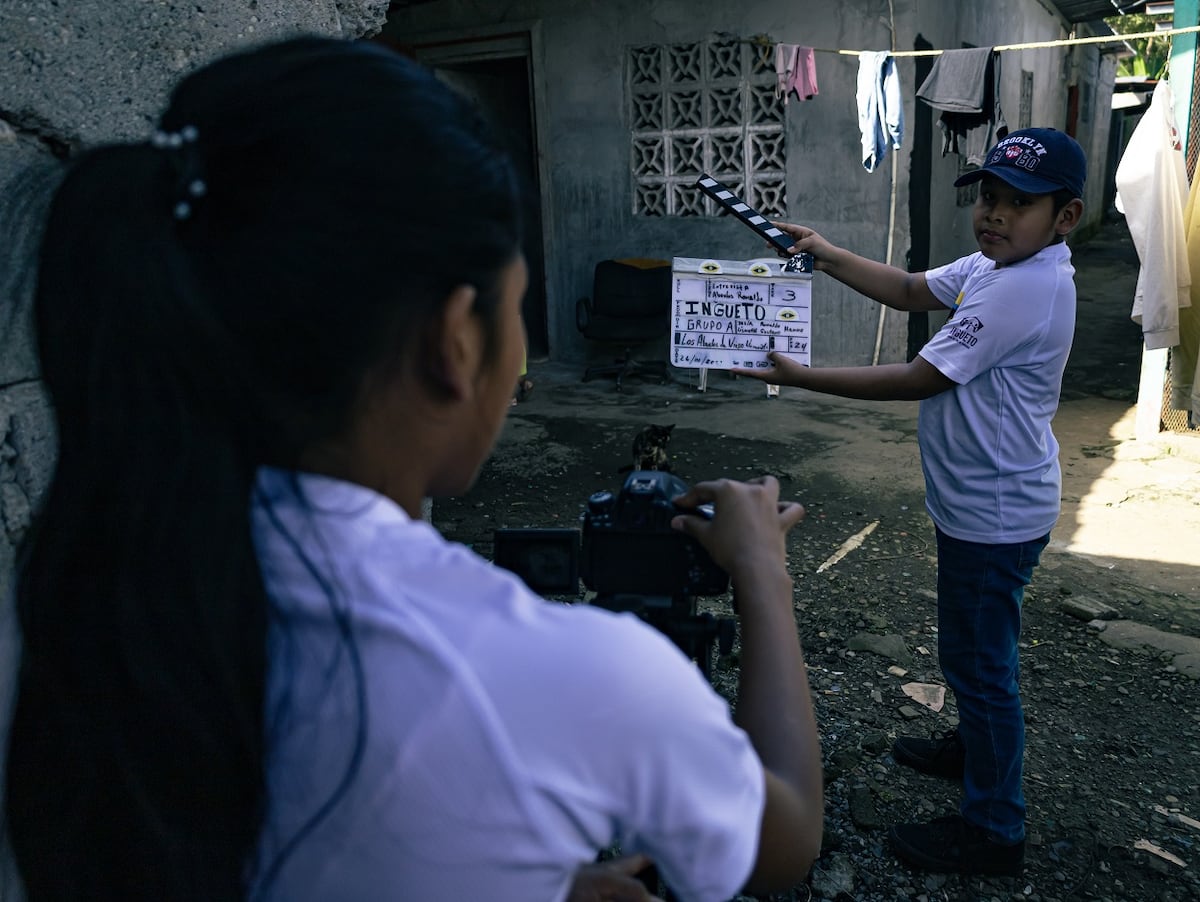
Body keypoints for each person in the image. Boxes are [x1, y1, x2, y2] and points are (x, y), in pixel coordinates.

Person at [0, 37, 824, 901]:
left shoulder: (63, 599)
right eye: (514, 313)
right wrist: (762, 571)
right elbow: (785, 840)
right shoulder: (558, 676)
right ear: (454, 341)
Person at [735, 127, 1086, 877]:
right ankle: (973, 750)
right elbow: (906, 289)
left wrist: (800, 378)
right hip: (981, 505)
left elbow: (918, 378)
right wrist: (825, 253)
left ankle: (994, 829)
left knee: (981, 665)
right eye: (988, 197)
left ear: (1066, 217)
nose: (995, 214)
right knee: (970, 649)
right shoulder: (998, 265)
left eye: (1018, 204)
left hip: (995, 516)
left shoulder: (1024, 288)